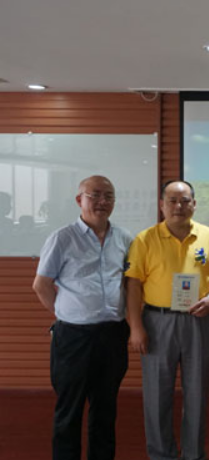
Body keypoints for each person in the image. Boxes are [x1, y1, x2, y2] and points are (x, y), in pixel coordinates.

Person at [125, 180, 209, 460]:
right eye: (172, 200)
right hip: (157, 322)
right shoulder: (145, 239)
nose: (178, 206)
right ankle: (161, 454)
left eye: (185, 201)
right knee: (157, 394)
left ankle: (194, 454)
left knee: (197, 393)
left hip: (198, 321)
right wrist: (136, 327)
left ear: (194, 204)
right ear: (161, 205)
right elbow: (133, 285)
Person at [32, 175, 131, 460]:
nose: (102, 201)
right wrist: (66, 313)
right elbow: (41, 285)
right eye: (95, 195)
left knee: (106, 409)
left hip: (112, 334)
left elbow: (129, 283)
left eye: (109, 196)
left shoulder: (124, 238)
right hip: (73, 337)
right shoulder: (62, 238)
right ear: (79, 199)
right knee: (69, 409)